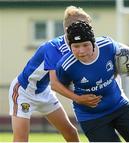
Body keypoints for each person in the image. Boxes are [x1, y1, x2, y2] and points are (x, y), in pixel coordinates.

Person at [8, 6, 101, 142]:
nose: (89, 31)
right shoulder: (53, 47)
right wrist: (79, 98)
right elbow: (55, 84)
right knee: (21, 140)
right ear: (69, 30)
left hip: (44, 92)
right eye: (86, 26)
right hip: (23, 92)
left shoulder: (81, 47)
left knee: (71, 133)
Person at [56, 20, 129, 142]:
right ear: (70, 46)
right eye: (76, 46)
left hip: (119, 106)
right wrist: (77, 98)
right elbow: (57, 86)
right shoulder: (66, 65)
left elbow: (126, 50)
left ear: (93, 43)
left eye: (85, 45)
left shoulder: (107, 45)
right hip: (91, 117)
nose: (81, 51)